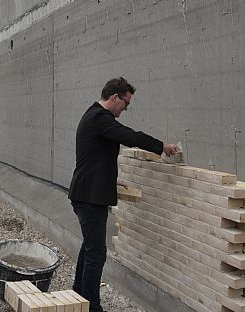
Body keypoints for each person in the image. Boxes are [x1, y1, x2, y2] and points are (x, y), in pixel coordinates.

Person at [68, 77, 178, 312]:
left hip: (87, 192)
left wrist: (110, 179)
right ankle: (91, 307)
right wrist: (162, 146)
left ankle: (78, 295)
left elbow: (94, 157)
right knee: (96, 253)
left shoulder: (93, 116)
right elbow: (130, 137)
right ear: (114, 97)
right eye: (125, 103)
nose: (125, 109)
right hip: (89, 198)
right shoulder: (100, 118)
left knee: (90, 247)